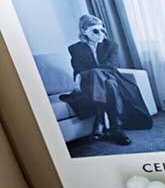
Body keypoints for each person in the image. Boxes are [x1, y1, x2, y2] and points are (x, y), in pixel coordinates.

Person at [59, 14, 153, 146]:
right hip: (89, 83)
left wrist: (88, 72)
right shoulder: (75, 48)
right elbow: (79, 68)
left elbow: (111, 66)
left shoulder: (111, 45)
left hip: (111, 77)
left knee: (108, 82)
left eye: (102, 30)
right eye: (95, 31)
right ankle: (116, 129)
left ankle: (100, 120)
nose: (100, 34)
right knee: (107, 83)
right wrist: (80, 76)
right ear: (84, 31)